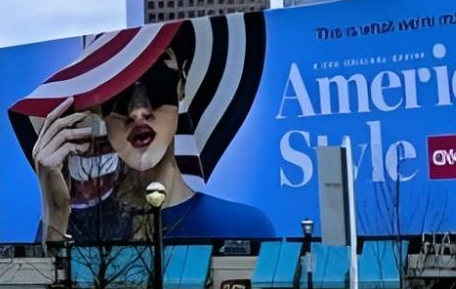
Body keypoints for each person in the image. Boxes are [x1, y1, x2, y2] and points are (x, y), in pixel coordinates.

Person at [21, 34, 275, 244]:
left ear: (181, 83)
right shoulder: (72, 226)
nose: (138, 110)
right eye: (117, 86)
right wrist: (55, 211)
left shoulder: (242, 226)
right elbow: (48, 286)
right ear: (97, 107)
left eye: (157, 77)